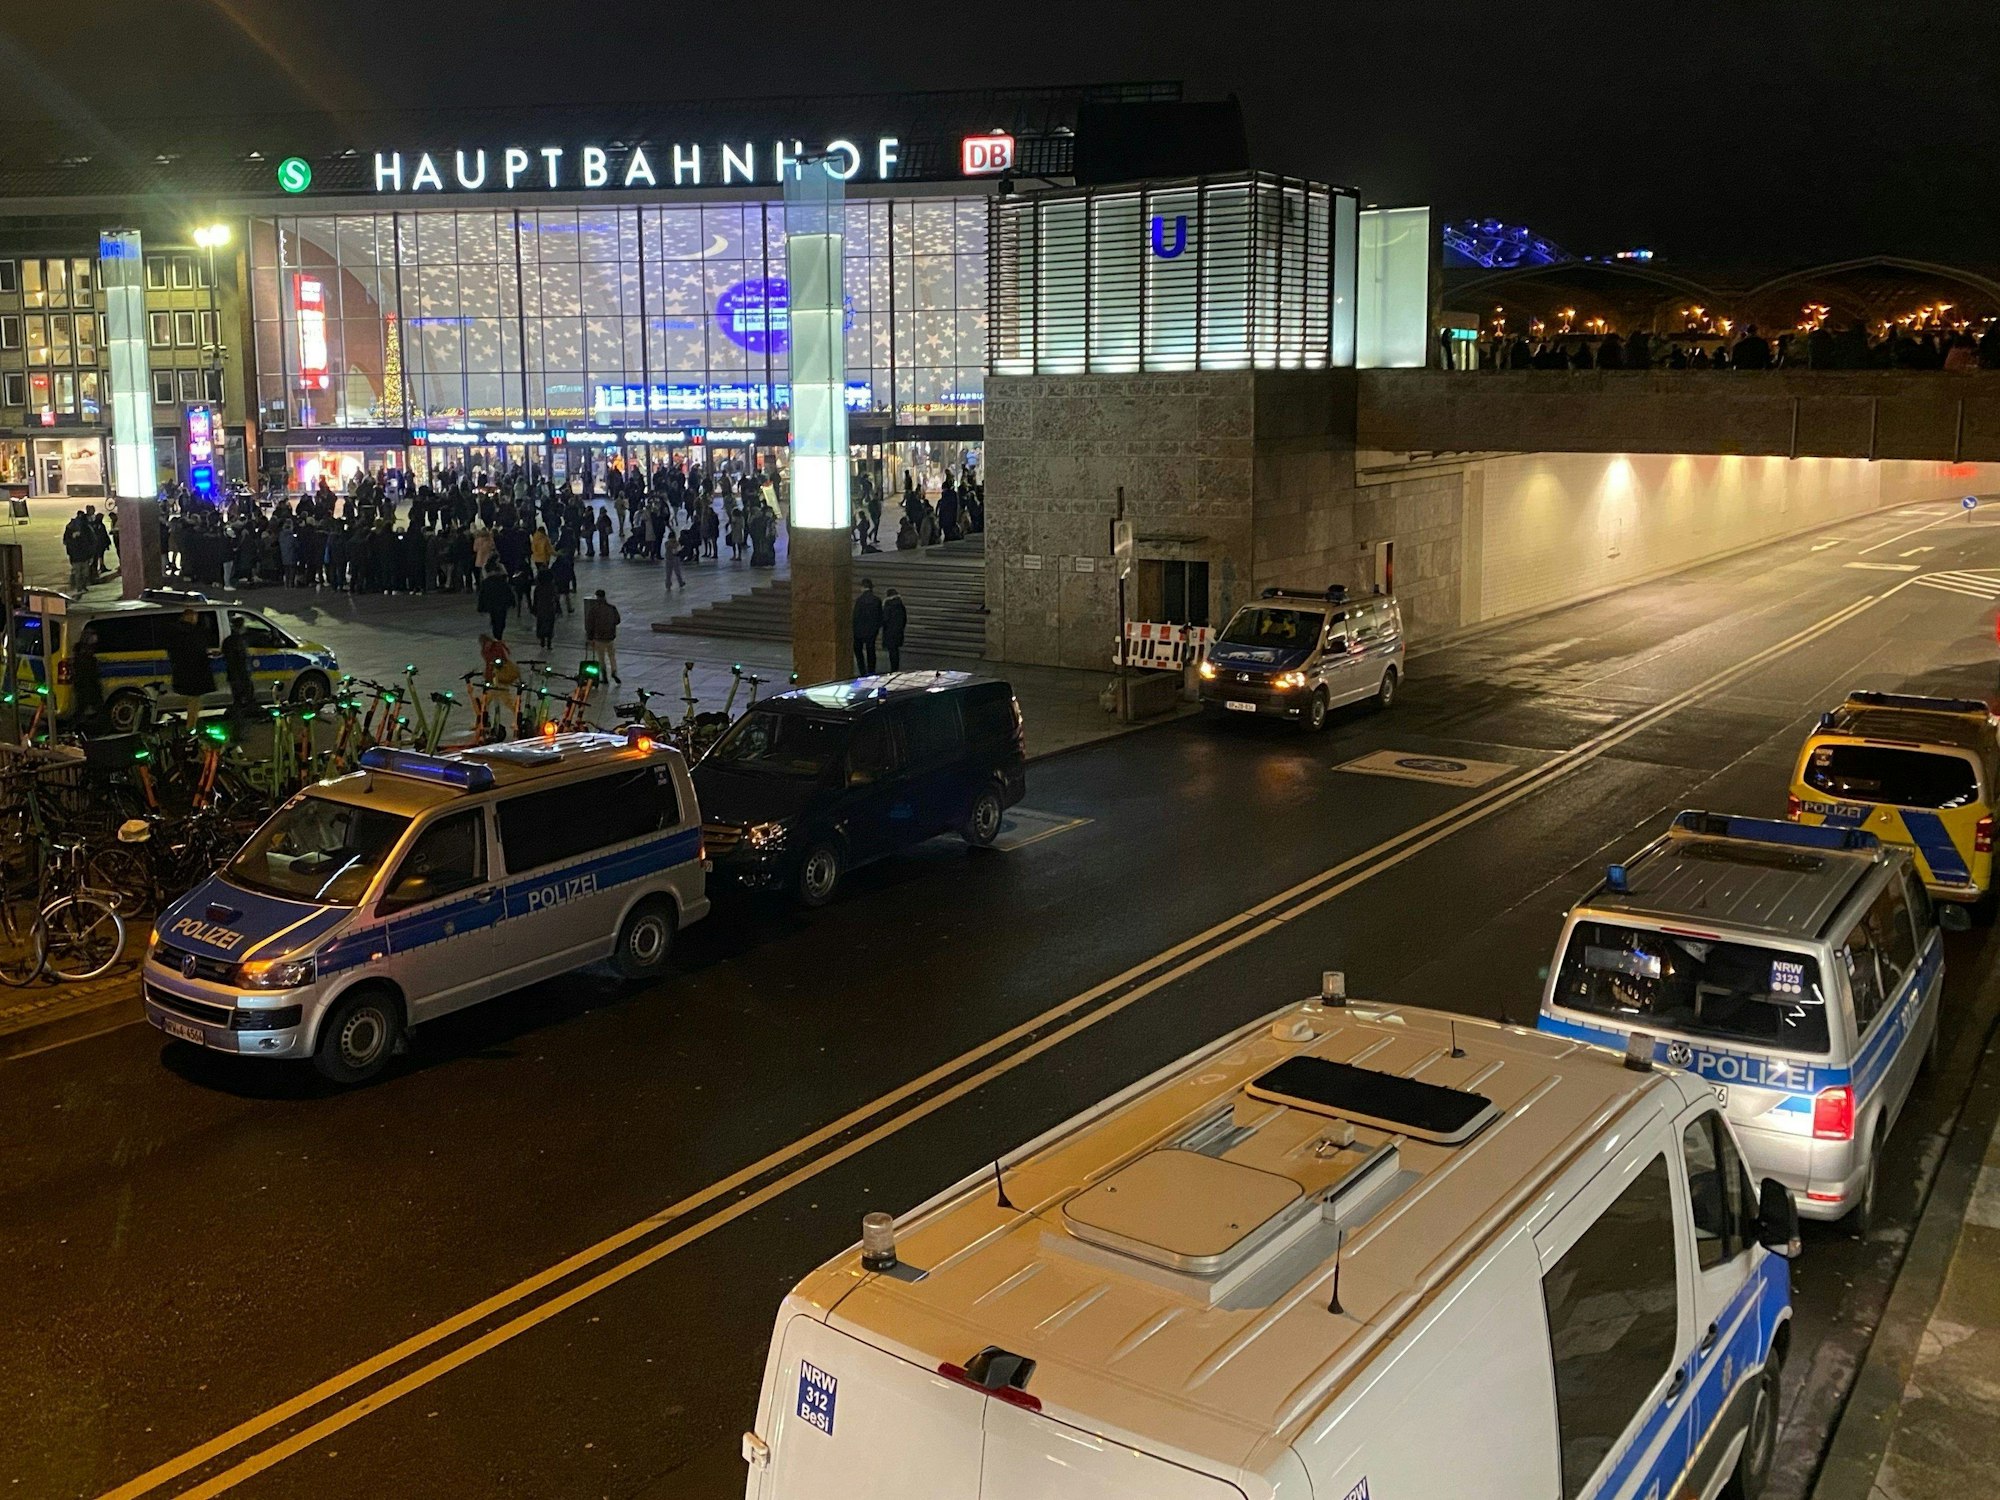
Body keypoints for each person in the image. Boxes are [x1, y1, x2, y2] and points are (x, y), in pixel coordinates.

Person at [164, 607, 216, 724]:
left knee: (191, 700)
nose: (196, 619)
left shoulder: (174, 631)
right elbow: (198, 650)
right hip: (195, 672)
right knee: (194, 700)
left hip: (181, 671)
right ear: (190, 617)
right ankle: (191, 726)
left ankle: (191, 723)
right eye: (195, 617)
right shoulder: (193, 632)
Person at [70, 626, 105, 731]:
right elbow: (91, 674)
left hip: (83, 684)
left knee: (83, 707)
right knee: (90, 706)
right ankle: (94, 728)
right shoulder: (86, 658)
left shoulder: (79, 655)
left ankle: (76, 726)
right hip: (87, 685)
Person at [583, 589, 622, 682]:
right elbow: (617, 620)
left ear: (597, 597)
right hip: (610, 637)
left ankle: (604, 676)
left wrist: (589, 638)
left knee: (601, 658)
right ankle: (614, 671)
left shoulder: (594, 609)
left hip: (599, 638)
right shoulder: (612, 608)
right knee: (612, 656)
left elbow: (589, 624)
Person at [221, 618, 259, 712]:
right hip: (242, 674)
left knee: (237, 700)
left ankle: (238, 716)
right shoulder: (241, 641)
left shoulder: (228, 640)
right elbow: (242, 658)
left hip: (232, 674)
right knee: (248, 698)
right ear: (241, 627)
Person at [851, 577, 883, 675]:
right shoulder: (877, 600)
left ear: (862, 587)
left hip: (859, 631)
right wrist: (876, 629)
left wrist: (854, 629)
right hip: (871, 631)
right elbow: (880, 616)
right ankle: (871, 670)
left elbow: (855, 616)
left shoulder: (859, 600)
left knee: (858, 650)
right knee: (871, 651)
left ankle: (862, 670)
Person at [476, 561, 515, 641]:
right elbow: (509, 592)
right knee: (501, 621)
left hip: (492, 605)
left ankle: (496, 636)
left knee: (494, 620)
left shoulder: (486, 582)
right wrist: (512, 602)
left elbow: (482, 596)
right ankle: (498, 636)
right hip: (502, 605)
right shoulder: (502, 581)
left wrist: (481, 607)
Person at [531, 566, 560, 652]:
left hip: (540, 608)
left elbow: (535, 599)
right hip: (550, 608)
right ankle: (549, 642)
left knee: (541, 624)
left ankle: (542, 640)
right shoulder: (552, 587)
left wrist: (534, 608)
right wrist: (558, 608)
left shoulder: (538, 588)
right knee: (550, 625)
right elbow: (556, 598)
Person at [881, 586, 907, 672]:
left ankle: (893, 669)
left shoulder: (888, 605)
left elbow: (885, 619)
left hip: (889, 632)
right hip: (898, 632)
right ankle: (896, 668)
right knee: (895, 650)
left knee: (892, 651)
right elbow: (904, 619)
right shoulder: (901, 605)